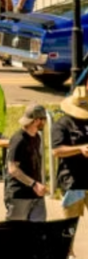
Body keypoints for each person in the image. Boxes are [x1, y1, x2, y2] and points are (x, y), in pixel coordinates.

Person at [6, 105, 50, 221]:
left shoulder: (37, 137)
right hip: (19, 195)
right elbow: (12, 169)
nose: (45, 122)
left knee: (37, 233)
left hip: (36, 195)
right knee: (17, 233)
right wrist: (34, 184)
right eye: (43, 119)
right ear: (36, 120)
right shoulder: (18, 139)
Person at [53, 86, 88, 218]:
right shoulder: (62, 125)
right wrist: (79, 149)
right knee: (70, 225)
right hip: (72, 182)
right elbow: (57, 151)